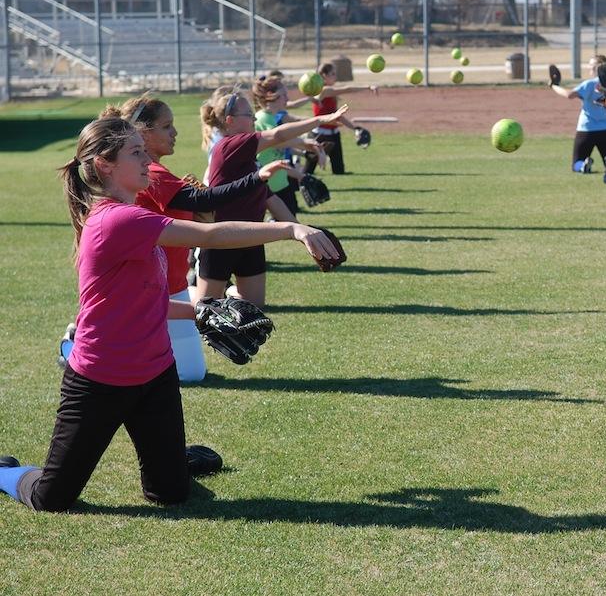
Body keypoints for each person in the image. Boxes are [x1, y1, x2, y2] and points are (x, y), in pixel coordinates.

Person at [0, 117, 340, 512]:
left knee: (170, 494)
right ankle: (6, 471)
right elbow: (209, 236)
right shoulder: (117, 218)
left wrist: (198, 311)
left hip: (154, 374)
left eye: (144, 150)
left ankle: (173, 461)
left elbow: (145, 301)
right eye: (135, 152)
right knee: (51, 498)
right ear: (105, 165)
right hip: (99, 379)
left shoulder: (131, 213)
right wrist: (290, 230)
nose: (147, 160)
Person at [64, 96, 290, 383]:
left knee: (184, 373)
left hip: (168, 284)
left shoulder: (148, 177)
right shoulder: (135, 196)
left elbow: (198, 216)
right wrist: (286, 224)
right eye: (166, 126)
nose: (175, 133)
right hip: (149, 299)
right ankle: (76, 341)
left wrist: (201, 308)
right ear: (143, 132)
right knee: (183, 373)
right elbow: (209, 226)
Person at [197, 88, 349, 307]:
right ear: (230, 121)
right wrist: (321, 119)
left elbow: (268, 196)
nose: (254, 118)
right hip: (222, 240)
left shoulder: (249, 157)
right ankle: (189, 291)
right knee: (206, 308)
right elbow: (277, 135)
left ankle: (229, 294)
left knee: (254, 307)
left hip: (252, 238)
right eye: (248, 115)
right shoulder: (230, 146)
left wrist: (300, 230)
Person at [288, 62, 378, 175]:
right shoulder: (325, 90)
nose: (335, 76)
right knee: (308, 171)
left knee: (339, 171)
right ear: (324, 76)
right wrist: (368, 87)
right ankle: (296, 168)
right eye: (332, 74)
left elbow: (337, 116)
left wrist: (355, 128)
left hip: (334, 134)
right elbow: (346, 89)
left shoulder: (329, 91)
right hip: (320, 134)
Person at [251, 75, 323, 216]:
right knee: (285, 223)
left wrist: (300, 173)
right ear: (272, 96)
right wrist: (309, 144)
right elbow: (279, 142)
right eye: (284, 95)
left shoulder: (271, 117)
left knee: (290, 219)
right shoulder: (263, 118)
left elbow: (283, 145)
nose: (288, 99)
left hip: (280, 180)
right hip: (269, 183)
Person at [550, 54, 606, 174]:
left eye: (591, 65)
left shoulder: (589, 84)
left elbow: (569, 94)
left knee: (576, 162)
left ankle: (582, 166)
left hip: (587, 129)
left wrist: (554, 86)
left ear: (598, 68)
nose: (589, 68)